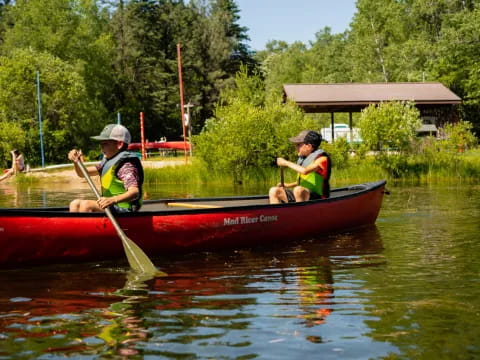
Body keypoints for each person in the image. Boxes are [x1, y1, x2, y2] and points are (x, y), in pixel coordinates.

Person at [68, 124, 144, 213]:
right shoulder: (107, 163)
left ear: (119, 144)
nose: (101, 147)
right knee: (75, 204)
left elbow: (134, 192)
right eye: (101, 144)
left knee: (86, 205)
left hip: (125, 211)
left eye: (105, 144)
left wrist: (112, 200)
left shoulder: (126, 166)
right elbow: (82, 173)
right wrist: (76, 162)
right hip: (112, 208)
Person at [269, 130, 331, 204]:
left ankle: (299, 213)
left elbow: (305, 171)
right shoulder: (303, 159)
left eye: (298, 145)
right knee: (274, 190)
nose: (295, 147)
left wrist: (286, 163)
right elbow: (302, 181)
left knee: (298, 190)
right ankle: (277, 214)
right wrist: (288, 185)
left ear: (309, 146)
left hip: (318, 197)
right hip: (301, 195)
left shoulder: (322, 159)